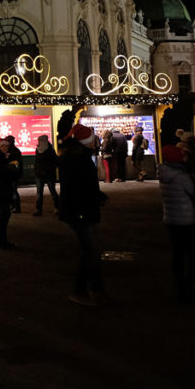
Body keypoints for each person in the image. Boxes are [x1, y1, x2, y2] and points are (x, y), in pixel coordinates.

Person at [58, 124, 108, 305]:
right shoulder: (79, 159)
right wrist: (93, 198)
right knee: (91, 251)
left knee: (91, 250)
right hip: (80, 211)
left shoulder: (74, 157)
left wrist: (98, 195)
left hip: (79, 209)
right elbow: (80, 187)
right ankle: (83, 290)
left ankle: (95, 288)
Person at [158, 144, 195, 302]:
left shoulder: (164, 173)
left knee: (178, 254)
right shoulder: (181, 177)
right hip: (186, 219)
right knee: (192, 255)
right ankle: (191, 287)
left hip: (171, 219)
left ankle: (180, 287)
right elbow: (194, 193)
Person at [33, 135, 59, 216]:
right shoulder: (38, 149)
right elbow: (36, 161)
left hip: (49, 175)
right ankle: (38, 209)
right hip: (39, 174)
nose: (40, 142)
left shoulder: (50, 150)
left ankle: (57, 207)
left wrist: (48, 170)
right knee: (39, 193)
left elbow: (55, 162)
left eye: (41, 140)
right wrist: (36, 170)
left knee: (52, 191)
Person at [5, 135, 23, 213]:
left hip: (12, 174)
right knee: (13, 191)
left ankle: (16, 207)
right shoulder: (16, 150)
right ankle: (14, 206)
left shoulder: (10, 151)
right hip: (14, 174)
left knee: (13, 191)